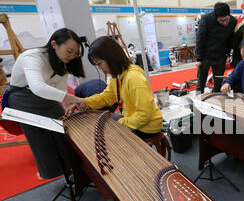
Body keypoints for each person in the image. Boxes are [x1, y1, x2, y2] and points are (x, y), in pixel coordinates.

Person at [6, 28, 86, 179]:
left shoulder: (62, 63)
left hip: (41, 95)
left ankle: (70, 164)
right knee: (40, 135)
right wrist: (76, 99)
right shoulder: (31, 57)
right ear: (54, 44)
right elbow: (37, 87)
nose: (71, 56)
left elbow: (60, 94)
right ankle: (49, 171)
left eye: (75, 54)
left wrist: (68, 106)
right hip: (20, 97)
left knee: (63, 125)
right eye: (69, 51)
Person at [66, 36, 163, 140]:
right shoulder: (117, 76)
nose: (100, 68)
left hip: (147, 127)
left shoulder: (134, 77)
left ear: (111, 58)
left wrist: (119, 123)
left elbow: (145, 114)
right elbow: (107, 97)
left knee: (107, 137)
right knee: (104, 129)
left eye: (99, 63)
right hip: (134, 119)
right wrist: (84, 102)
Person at [195, 2, 237, 93]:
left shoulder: (233, 21)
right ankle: (196, 101)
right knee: (201, 82)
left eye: (226, 19)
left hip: (220, 56)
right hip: (206, 55)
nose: (225, 23)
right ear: (215, 16)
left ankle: (217, 101)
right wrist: (199, 58)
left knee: (218, 82)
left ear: (229, 15)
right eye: (221, 21)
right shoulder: (206, 19)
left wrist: (228, 53)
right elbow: (200, 38)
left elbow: (230, 38)